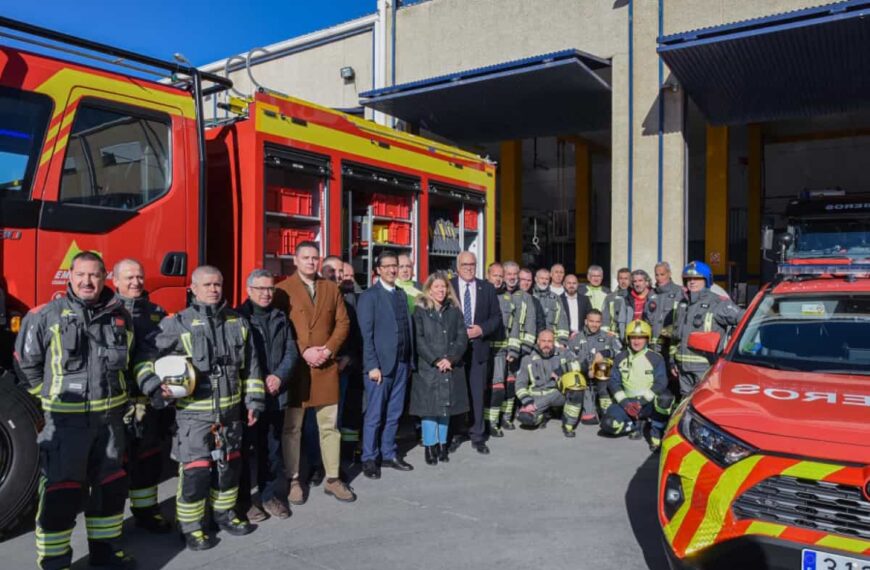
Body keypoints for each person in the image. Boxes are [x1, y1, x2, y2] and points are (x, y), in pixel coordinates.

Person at [17, 252, 137, 569]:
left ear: (104, 277)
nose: (87, 281)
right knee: (61, 492)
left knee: (110, 490)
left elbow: (130, 362)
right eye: (81, 274)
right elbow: (27, 365)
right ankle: (55, 560)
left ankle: (105, 552)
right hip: (66, 426)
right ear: (70, 276)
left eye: (94, 275)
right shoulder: (45, 316)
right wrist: (47, 403)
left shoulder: (120, 315)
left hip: (110, 424)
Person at [135, 265, 264, 551]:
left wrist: (254, 401)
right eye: (207, 285)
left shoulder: (237, 322)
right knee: (196, 473)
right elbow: (144, 356)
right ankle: (191, 526)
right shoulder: (177, 324)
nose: (214, 289)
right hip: (194, 416)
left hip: (230, 416)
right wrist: (154, 386)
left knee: (229, 468)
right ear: (192, 288)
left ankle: (225, 514)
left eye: (218, 284)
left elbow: (252, 367)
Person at [276, 241, 356, 504]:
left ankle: (333, 479)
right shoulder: (282, 290)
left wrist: (328, 350)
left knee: (329, 427)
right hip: (296, 370)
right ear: (295, 261)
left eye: (315, 258)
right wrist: (304, 350)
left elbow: (343, 323)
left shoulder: (330, 288)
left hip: (325, 367)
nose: (311, 262)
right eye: (306, 257)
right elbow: (280, 329)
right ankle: (294, 480)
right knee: (292, 428)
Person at [113, 258, 171, 534]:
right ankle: (110, 528)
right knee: (112, 468)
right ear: (115, 281)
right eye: (129, 278)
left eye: (139, 277)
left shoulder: (157, 313)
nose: (135, 282)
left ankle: (147, 512)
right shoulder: (106, 312)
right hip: (116, 404)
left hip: (149, 403)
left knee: (148, 460)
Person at [236, 269, 299, 522]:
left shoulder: (280, 317)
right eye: (260, 288)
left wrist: (278, 377)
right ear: (249, 290)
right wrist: (258, 381)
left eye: (270, 288)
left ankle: (269, 496)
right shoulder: (238, 318)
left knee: (271, 450)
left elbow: (291, 352)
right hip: (247, 398)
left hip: (275, 394)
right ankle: (243, 502)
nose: (266, 293)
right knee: (241, 451)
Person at [357, 250, 415, 478]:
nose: (393, 270)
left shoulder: (400, 294)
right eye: (388, 266)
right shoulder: (370, 296)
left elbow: (406, 328)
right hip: (379, 367)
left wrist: (410, 362)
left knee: (394, 413)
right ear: (378, 270)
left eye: (395, 265)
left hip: (401, 364)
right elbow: (366, 334)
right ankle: (369, 457)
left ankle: (389, 452)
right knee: (374, 414)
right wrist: (372, 365)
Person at [409, 272, 469, 465]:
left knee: (445, 408)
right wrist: (435, 360)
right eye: (436, 287)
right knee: (429, 409)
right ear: (429, 289)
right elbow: (419, 339)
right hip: (428, 367)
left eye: (443, 287)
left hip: (450, 365)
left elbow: (462, 337)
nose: (441, 290)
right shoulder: (420, 311)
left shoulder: (454, 310)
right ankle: (429, 446)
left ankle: (443, 445)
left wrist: (450, 358)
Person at [450, 251, 502, 455]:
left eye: (472, 264)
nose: (469, 268)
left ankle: (478, 435)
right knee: (456, 393)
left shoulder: (487, 288)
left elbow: (496, 318)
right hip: (455, 350)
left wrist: (481, 329)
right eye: (465, 265)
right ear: (457, 267)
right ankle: (455, 434)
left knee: (477, 394)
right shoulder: (449, 287)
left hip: (479, 348)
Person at [670, 261, 744, 397]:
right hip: (682, 368)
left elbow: (744, 320)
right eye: (688, 279)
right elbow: (675, 335)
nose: (692, 282)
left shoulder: (718, 303)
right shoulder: (682, 305)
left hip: (706, 368)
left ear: (707, 280)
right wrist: (672, 360)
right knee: (685, 403)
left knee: (704, 401)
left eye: (697, 278)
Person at [600, 320, 674, 452]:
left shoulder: (656, 358)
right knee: (608, 424)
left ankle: (656, 435)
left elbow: (661, 382)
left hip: (648, 404)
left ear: (648, 338)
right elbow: (614, 382)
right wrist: (625, 404)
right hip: (628, 404)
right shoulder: (620, 357)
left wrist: (641, 402)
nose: (636, 341)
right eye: (633, 337)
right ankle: (636, 425)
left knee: (665, 398)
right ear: (628, 338)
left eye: (641, 337)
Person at [324, 257, 364, 464]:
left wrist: (348, 358)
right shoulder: (323, 297)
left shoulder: (355, 299)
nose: (344, 278)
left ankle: (343, 454)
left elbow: (355, 334)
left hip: (348, 367)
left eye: (349, 275)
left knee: (345, 414)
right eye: (341, 274)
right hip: (323, 367)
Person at [514, 330, 583, 437]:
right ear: (538, 341)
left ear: (554, 341)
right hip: (536, 396)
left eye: (550, 341)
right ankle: (542, 414)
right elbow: (520, 384)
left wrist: (562, 370)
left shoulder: (563, 353)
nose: (546, 344)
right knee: (525, 418)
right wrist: (527, 402)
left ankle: (568, 425)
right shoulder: (527, 359)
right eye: (543, 341)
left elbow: (579, 365)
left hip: (558, 394)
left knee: (576, 386)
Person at [567, 309, 622, 424]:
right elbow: (568, 358)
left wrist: (605, 353)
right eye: (591, 321)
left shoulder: (609, 337)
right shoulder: (575, 338)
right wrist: (587, 369)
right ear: (586, 321)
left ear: (601, 323)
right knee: (589, 420)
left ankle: (606, 407)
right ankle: (587, 408)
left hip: (603, 379)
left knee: (604, 366)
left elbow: (620, 352)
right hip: (583, 379)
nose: (594, 324)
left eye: (597, 322)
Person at [501, 261, 537, 429]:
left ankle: (507, 417)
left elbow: (531, 324)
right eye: (509, 274)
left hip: (520, 349)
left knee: (511, 383)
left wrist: (524, 349)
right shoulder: (496, 294)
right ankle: (495, 417)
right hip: (499, 348)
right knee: (496, 383)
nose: (512, 277)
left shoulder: (526, 297)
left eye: (515, 274)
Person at [485, 262, 516, 438]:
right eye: (494, 275)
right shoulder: (483, 295)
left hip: (503, 350)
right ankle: (488, 422)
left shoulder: (508, 298)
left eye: (500, 276)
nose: (497, 279)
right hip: (486, 349)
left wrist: (513, 349)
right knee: (490, 388)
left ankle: (499, 420)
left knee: (504, 386)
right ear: (488, 275)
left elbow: (514, 327)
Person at [645, 262, 683, 356]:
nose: (659, 278)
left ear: (669, 273)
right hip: (653, 346)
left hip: (670, 345)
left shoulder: (679, 292)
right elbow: (647, 319)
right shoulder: (651, 294)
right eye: (656, 275)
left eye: (662, 274)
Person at [533, 268, 570, 344]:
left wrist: (562, 342)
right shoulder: (530, 296)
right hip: (532, 339)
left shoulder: (555, 298)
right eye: (542, 278)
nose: (544, 281)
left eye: (547, 279)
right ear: (536, 279)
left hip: (551, 341)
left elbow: (562, 321)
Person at [602, 268, 632, 338]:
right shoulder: (610, 297)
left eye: (626, 278)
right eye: (621, 278)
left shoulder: (634, 296)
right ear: (617, 280)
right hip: (614, 334)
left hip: (632, 334)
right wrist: (606, 333)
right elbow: (605, 318)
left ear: (630, 280)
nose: (623, 281)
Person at [520, 267, 546, 334]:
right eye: (523, 279)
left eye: (529, 280)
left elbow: (541, 325)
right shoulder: (509, 297)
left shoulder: (535, 302)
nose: (526, 283)